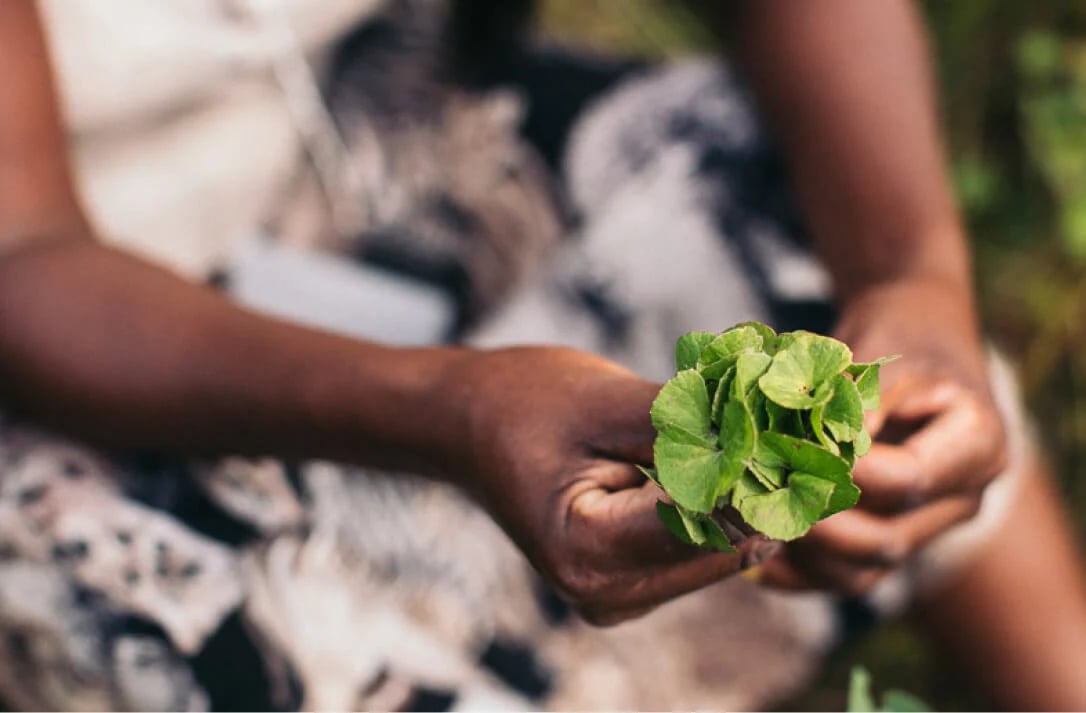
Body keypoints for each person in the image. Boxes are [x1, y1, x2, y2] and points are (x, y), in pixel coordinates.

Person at [0, 0, 1082, 710]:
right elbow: (23, 250)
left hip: (352, 121)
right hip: (65, 305)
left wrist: (917, 275)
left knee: (748, 210)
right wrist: (455, 411)